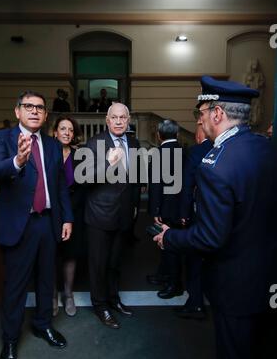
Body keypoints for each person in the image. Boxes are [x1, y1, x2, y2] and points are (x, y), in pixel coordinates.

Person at [153, 76, 277, 359]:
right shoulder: (266, 148)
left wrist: (169, 237)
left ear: (217, 114)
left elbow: (210, 236)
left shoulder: (216, 164)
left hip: (236, 286)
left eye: (202, 113)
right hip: (268, 277)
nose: (200, 120)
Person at [0, 91, 74, 359]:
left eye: (40, 107)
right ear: (17, 111)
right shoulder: (1, 138)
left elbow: (60, 184)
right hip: (19, 225)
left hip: (48, 222)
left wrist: (67, 217)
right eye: (28, 106)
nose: (34, 111)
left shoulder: (51, 144)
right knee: (15, 286)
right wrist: (18, 161)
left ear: (46, 115)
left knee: (47, 280)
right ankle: (11, 340)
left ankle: (43, 325)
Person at [84, 103, 139, 329]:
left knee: (115, 263)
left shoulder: (133, 143)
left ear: (128, 120)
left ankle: (114, 299)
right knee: (98, 264)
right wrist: (109, 163)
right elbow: (85, 177)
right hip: (99, 215)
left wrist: (134, 205)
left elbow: (134, 179)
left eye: (122, 118)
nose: (118, 121)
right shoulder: (95, 143)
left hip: (124, 215)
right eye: (114, 117)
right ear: (107, 120)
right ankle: (100, 305)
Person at [175, 121, 213, 319]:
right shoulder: (223, 148)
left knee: (194, 261)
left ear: (200, 134)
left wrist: (184, 215)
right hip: (217, 218)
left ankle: (195, 303)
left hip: (197, 217)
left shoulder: (197, 152)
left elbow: (187, 186)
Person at [147, 120, 184, 299]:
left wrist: (155, 210)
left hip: (165, 209)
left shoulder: (157, 153)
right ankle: (164, 275)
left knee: (168, 246)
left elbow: (155, 186)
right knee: (172, 245)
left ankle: (173, 284)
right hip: (180, 209)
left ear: (159, 135)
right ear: (177, 134)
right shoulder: (185, 152)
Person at [53, 116, 85, 318]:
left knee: (71, 254)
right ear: (55, 132)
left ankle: (68, 294)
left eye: (70, 130)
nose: (66, 132)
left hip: (74, 213)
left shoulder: (80, 156)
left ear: (74, 134)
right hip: (51, 213)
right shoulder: (47, 153)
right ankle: (52, 295)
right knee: (50, 256)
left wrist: (70, 214)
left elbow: (83, 188)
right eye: (62, 128)